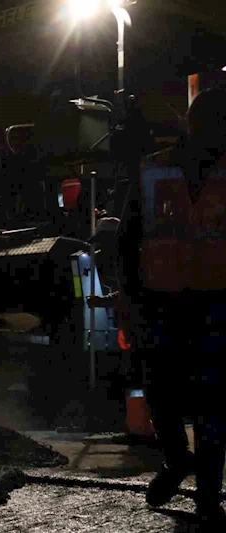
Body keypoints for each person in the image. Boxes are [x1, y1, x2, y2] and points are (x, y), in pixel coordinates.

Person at [118, 88, 226, 526]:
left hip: (190, 306)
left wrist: (130, 295)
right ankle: (186, 470)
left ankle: (200, 488)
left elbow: (125, 240)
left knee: (198, 402)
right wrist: (129, 295)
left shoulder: (153, 169)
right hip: (174, 304)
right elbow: (128, 239)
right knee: (184, 399)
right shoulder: (152, 169)